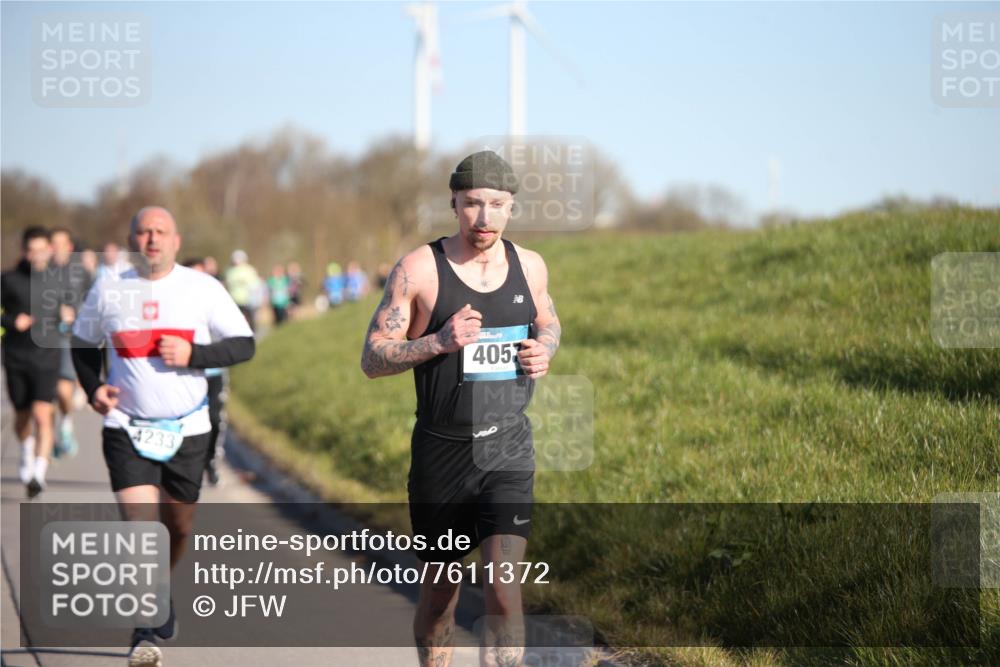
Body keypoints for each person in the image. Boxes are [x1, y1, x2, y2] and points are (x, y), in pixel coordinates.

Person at [360, 151, 561, 667]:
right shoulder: (418, 269)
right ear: (454, 203)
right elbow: (372, 358)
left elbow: (549, 322)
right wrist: (438, 342)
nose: (484, 218)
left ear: (512, 206)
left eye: (496, 205)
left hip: (508, 449)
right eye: (472, 204)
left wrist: (546, 350)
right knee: (438, 596)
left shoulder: (530, 266)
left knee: (503, 587)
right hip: (442, 455)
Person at [71, 207, 255, 666]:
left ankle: (160, 586)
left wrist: (195, 353)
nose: (151, 239)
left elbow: (243, 344)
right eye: (143, 231)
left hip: (188, 426)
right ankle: (145, 626)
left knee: (178, 525)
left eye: (160, 232)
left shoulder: (201, 288)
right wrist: (93, 388)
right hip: (125, 425)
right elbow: (80, 342)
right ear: (133, 239)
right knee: (140, 529)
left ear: (176, 240)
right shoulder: (111, 286)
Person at [1, 227, 73, 497]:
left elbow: (73, 311)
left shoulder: (60, 281)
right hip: (16, 357)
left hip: (48, 356)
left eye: (42, 249)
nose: (37, 254)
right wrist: (10, 321)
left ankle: (39, 474)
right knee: (22, 417)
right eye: (32, 249)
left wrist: (69, 315)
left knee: (43, 414)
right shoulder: (8, 279)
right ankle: (25, 453)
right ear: (24, 250)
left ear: (50, 250)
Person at [49, 227, 93, 458]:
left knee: (63, 391)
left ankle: (65, 426)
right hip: (43, 340)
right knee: (44, 399)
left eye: (60, 243)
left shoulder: (81, 272)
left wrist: (76, 313)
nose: (55, 248)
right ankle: (44, 444)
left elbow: (94, 301)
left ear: (69, 247)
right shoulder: (39, 271)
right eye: (51, 243)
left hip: (69, 337)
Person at [224, 249, 262, 332]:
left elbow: (255, 285)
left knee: (250, 320)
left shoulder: (249, 270)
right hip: (234, 300)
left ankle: (252, 335)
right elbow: (228, 285)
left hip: (248, 300)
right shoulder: (229, 271)